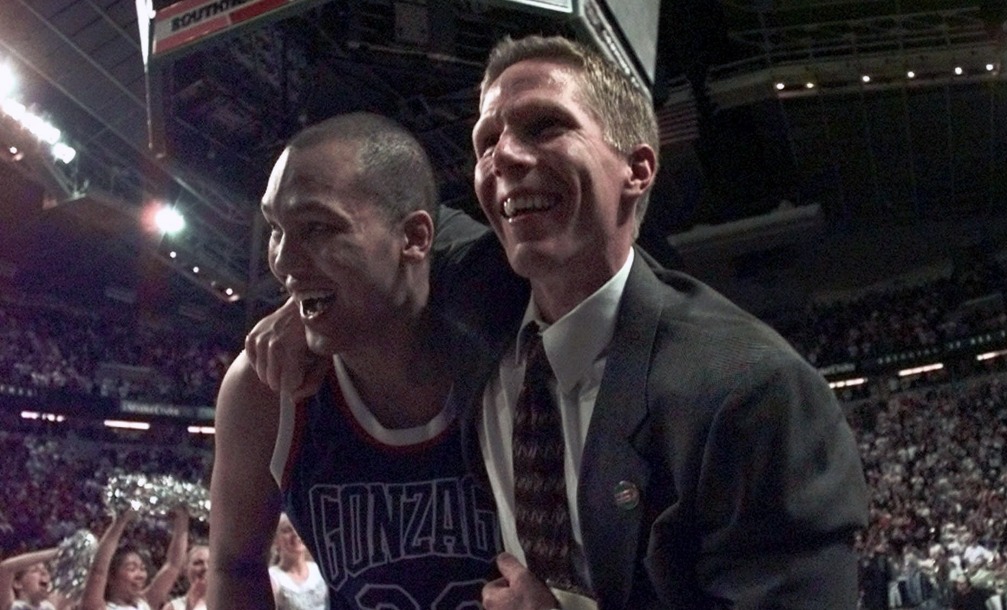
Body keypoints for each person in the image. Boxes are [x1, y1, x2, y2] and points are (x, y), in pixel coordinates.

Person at [248, 34, 869, 609]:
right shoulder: (479, 292)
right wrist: (306, 294)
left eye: (546, 126)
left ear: (638, 168)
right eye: (486, 142)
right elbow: (394, 236)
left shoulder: (752, 393)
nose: (507, 157)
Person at [208, 112, 503, 610]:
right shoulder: (263, 387)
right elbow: (234, 566)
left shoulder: (511, 346)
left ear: (413, 239)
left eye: (318, 228)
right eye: (278, 228)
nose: (281, 260)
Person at [82, 509, 189, 610]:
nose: (140, 576)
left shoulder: (145, 602)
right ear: (111, 577)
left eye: (142, 569)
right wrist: (120, 521)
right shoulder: (97, 606)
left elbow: (173, 566)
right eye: (132, 569)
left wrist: (182, 520)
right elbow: (98, 571)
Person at [267, 515, 327, 610]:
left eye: (298, 528)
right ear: (275, 540)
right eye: (287, 530)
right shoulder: (274, 578)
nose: (295, 533)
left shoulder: (319, 569)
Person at [0, 547, 69, 610]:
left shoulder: (48, 607)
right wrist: (58, 552)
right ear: (17, 583)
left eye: (45, 569)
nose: (44, 572)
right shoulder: (12, 606)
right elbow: (6, 568)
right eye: (35, 570)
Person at [162, 545, 208, 610]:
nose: (206, 567)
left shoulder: (226, 603)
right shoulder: (173, 607)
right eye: (198, 563)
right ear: (186, 569)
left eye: (210, 562)